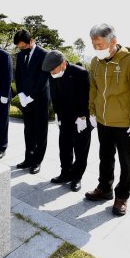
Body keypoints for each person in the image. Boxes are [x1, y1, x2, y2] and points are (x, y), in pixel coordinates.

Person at [84, 24, 130, 216]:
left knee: (126, 162)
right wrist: (92, 112)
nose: (97, 49)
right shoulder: (96, 62)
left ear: (113, 41)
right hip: (103, 121)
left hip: (125, 123)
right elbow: (93, 89)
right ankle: (104, 188)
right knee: (105, 157)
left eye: (100, 44)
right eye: (94, 45)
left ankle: (122, 195)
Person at [42, 50, 91, 192]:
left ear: (63, 63)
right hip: (64, 117)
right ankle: (65, 173)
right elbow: (54, 95)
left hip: (80, 118)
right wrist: (57, 114)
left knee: (81, 150)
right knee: (64, 147)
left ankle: (77, 177)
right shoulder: (53, 74)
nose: (51, 72)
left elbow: (87, 98)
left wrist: (83, 117)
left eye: (53, 69)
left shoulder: (80, 73)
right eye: (49, 70)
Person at [14, 30, 50, 175]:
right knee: (28, 130)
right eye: (19, 47)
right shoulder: (20, 55)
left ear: (31, 41)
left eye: (23, 46)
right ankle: (28, 158)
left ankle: (37, 161)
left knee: (40, 132)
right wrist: (21, 93)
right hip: (26, 99)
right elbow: (19, 76)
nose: (21, 50)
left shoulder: (44, 54)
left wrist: (32, 96)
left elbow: (43, 78)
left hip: (40, 98)